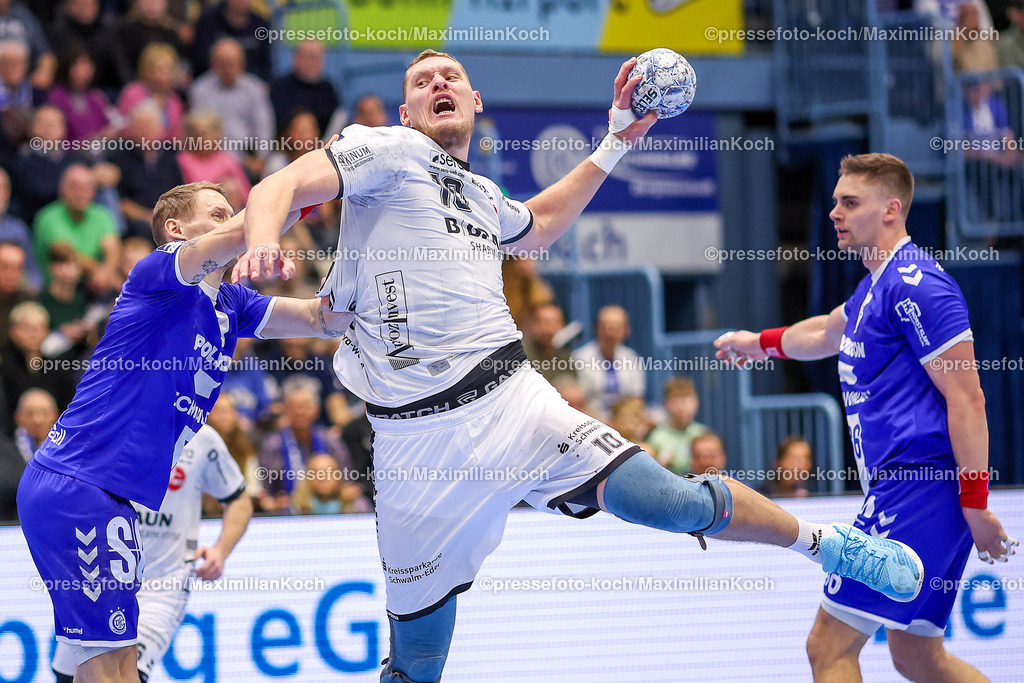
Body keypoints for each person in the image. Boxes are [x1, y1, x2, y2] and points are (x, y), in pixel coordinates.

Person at [235, 50, 929, 681]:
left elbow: (540, 223)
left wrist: (617, 140)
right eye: (422, 81)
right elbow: (285, 184)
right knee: (416, 666)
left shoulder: (481, 196)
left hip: (510, 399)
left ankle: (830, 544)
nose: (438, 83)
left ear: (476, 102)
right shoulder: (381, 151)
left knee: (670, 499)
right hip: (413, 447)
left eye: (450, 76)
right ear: (405, 112)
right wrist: (264, 241)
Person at [16, 179, 355, 682]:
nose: (232, 220)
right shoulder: (159, 275)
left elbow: (321, 319)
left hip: (106, 495)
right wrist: (307, 180)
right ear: (175, 231)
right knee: (111, 671)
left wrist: (379, 282)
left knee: (112, 665)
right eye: (217, 214)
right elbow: (251, 227)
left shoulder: (232, 304)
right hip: (79, 484)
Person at [715, 153, 1018, 682]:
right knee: (917, 656)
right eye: (834, 201)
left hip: (919, 490)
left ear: (891, 210)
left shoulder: (920, 286)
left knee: (827, 647)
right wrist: (760, 343)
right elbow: (827, 332)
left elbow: (968, 399)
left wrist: (974, 505)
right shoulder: (873, 288)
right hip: (912, 491)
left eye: (850, 203)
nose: (835, 212)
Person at [51, 423, 253, 683]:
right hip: (100, 584)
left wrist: (220, 550)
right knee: (67, 676)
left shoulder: (203, 439)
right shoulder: (109, 424)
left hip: (162, 587)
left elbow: (238, 499)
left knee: (127, 674)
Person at [572, 304, 645, 417]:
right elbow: (577, 401)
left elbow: (637, 398)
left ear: (626, 330)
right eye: (606, 327)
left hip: (624, 419)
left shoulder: (631, 357)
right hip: (590, 419)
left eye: (617, 328)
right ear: (597, 328)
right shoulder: (579, 357)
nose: (610, 333)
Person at [269, 39, 338, 133]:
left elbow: (335, 120)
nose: (315, 62)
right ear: (296, 58)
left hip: (323, 143)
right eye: (311, 57)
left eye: (319, 57)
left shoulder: (328, 88)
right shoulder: (280, 87)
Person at [648, 376, 708, 475]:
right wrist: (661, 464)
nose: (682, 407)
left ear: (696, 402)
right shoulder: (657, 436)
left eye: (687, 400)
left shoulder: (703, 433)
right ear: (666, 403)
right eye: (676, 402)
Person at [13, 387, 58, 461]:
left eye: (45, 413)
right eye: (30, 413)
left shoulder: (66, 451)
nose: (38, 420)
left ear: (55, 416)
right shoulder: (6, 452)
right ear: (18, 417)